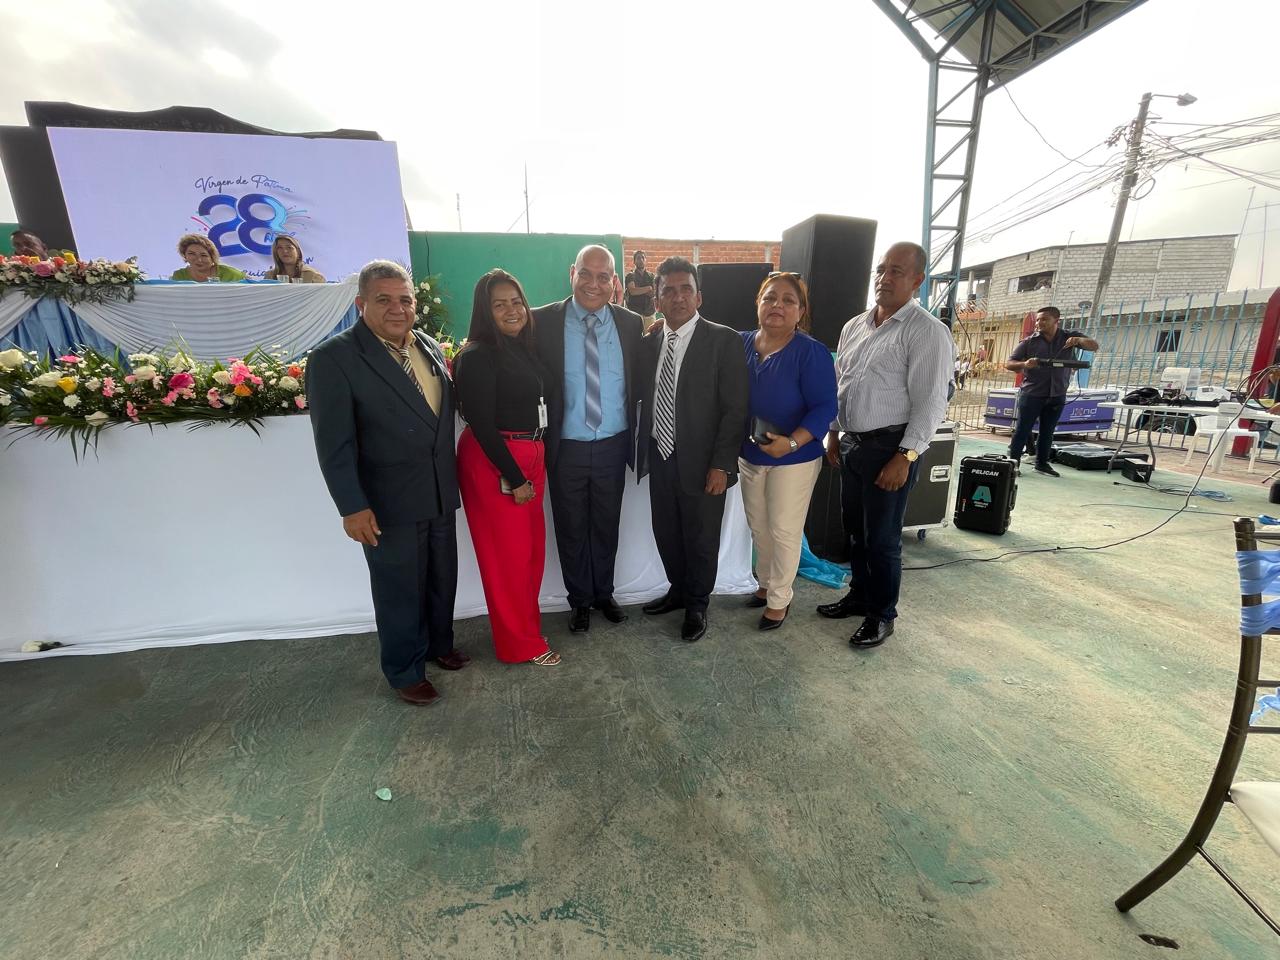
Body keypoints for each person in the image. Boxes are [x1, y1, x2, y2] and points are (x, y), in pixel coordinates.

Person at [306, 260, 468, 705]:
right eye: (384, 300)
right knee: (399, 589)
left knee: (441, 578)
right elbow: (334, 444)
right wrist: (351, 506)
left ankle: (438, 644)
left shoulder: (427, 345)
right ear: (361, 303)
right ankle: (404, 670)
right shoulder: (334, 358)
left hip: (439, 490)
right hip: (387, 501)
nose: (398, 309)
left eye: (405, 299)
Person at [816, 242, 953, 650]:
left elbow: (931, 401)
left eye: (896, 271)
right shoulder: (855, 326)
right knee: (855, 532)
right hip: (853, 445)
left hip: (891, 448)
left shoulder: (927, 331)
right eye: (881, 270)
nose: (884, 278)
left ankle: (882, 615)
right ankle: (859, 596)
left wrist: (905, 457)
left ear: (917, 280)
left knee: (882, 538)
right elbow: (841, 385)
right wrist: (834, 433)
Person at [533, 244, 645, 634]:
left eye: (602, 277)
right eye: (585, 274)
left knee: (606, 524)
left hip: (613, 444)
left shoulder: (630, 324)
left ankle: (604, 594)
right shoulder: (542, 321)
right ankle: (579, 600)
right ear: (572, 273)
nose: (593, 284)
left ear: (614, 282)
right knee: (570, 528)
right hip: (566, 447)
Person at [637, 256, 749, 642]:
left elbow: (735, 409)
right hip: (660, 456)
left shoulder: (723, 340)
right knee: (666, 531)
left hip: (705, 464)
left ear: (699, 297)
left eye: (686, 289)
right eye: (668, 291)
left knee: (701, 537)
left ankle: (697, 604)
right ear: (657, 300)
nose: (678, 297)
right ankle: (678, 590)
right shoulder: (650, 342)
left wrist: (722, 464)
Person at [454, 269, 560, 666]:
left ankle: (527, 630)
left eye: (516, 302)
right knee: (509, 560)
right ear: (485, 311)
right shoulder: (477, 356)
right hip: (497, 461)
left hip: (530, 453)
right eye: (499, 305)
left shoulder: (521, 346)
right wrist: (514, 478)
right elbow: (480, 424)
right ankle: (519, 645)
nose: (511, 310)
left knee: (530, 554)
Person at [738, 272, 837, 630]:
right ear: (758, 304)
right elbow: (704, 343)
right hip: (751, 456)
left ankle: (779, 599)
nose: (777, 305)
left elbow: (826, 407)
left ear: (800, 311)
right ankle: (765, 584)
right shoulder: (740, 343)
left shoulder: (811, 353)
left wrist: (792, 442)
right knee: (759, 527)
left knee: (783, 530)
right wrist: (660, 326)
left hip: (794, 459)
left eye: (788, 300)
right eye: (769, 298)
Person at [1004, 306, 1100, 477]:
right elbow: (1009, 363)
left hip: (1057, 394)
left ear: (1056, 321)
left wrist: (1078, 340)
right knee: (1022, 430)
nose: (1039, 323)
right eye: (1038, 320)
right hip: (1032, 393)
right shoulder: (1029, 342)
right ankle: (1013, 464)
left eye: (1044, 319)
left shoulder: (1069, 337)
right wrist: (1025, 364)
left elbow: (1094, 346)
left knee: (1047, 432)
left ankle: (1042, 464)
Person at [170, 234, 246, 282]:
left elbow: (251, 284)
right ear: (184, 255)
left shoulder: (228, 273)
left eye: (203, 255)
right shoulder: (179, 276)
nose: (198, 260)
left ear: (212, 257)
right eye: (192, 254)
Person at [624, 250, 656, 326]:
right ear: (634, 261)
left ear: (645, 260)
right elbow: (633, 291)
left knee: (651, 333)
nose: (641, 260)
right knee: (634, 333)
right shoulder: (630, 276)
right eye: (638, 258)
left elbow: (654, 293)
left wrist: (640, 290)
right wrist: (648, 288)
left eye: (643, 258)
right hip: (634, 313)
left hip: (649, 313)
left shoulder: (651, 276)